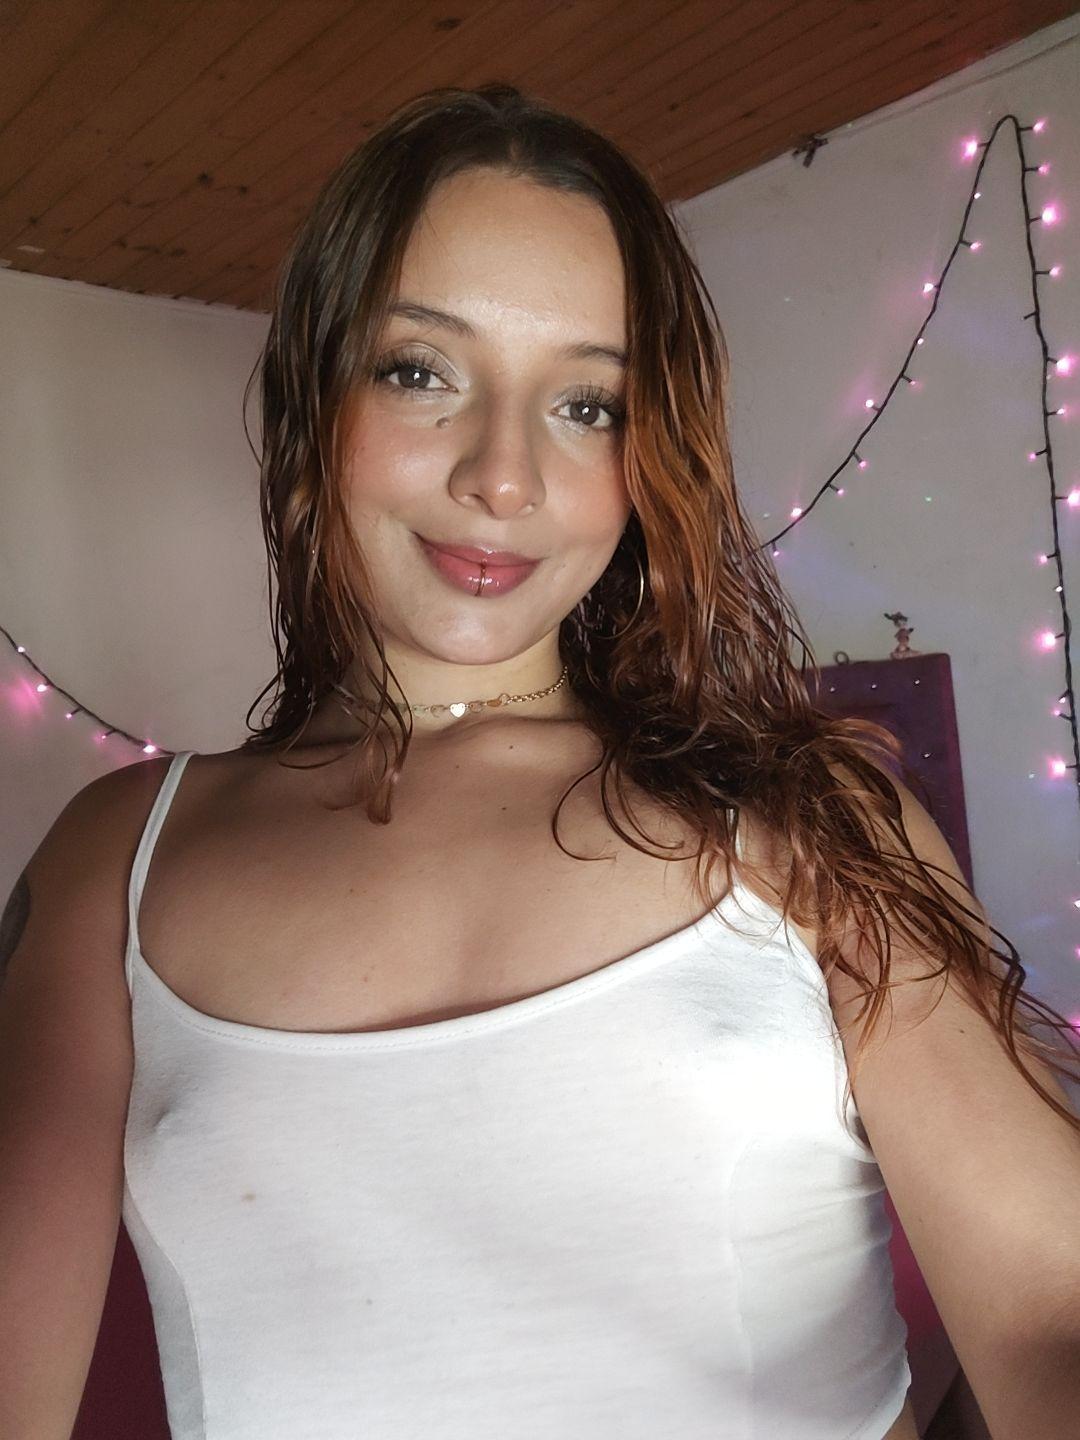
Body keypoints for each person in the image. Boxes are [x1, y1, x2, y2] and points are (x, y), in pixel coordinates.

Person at [3, 83, 1078, 1440]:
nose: (503, 477)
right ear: (310, 406)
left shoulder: (814, 823)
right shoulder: (116, 859)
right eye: (421, 372)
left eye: (586, 403)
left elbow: (1049, 1312)